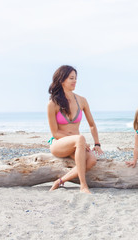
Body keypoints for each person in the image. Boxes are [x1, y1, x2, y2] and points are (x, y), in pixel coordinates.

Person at [47, 65, 103, 193]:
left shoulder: (82, 100)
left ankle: (60, 181)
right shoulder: (53, 103)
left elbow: (92, 125)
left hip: (77, 144)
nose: (75, 81)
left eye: (75, 78)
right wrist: (79, 141)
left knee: (92, 160)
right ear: (61, 80)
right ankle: (83, 186)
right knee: (80, 138)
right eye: (71, 78)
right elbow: (55, 132)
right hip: (59, 144)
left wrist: (97, 144)